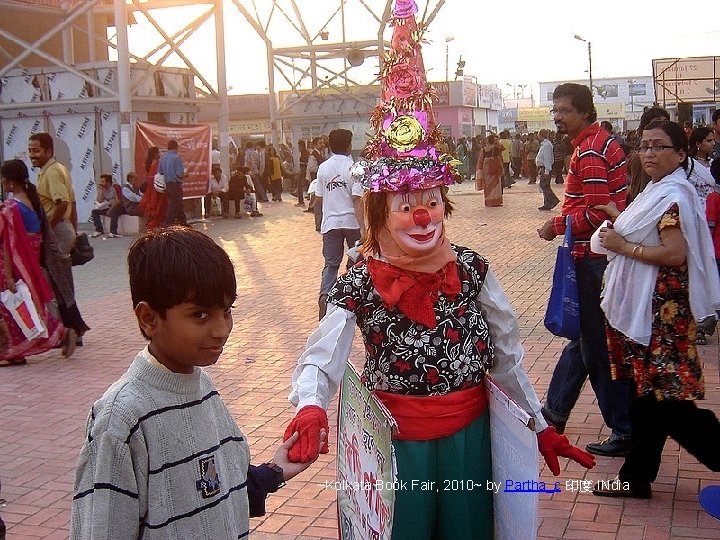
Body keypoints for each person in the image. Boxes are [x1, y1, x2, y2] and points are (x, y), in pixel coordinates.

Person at [283, 3, 595, 538]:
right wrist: (311, 406)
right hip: (395, 442)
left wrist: (537, 426)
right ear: (379, 214)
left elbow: (506, 356)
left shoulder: (472, 269)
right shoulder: (360, 277)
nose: (421, 214)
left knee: (467, 528)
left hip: (467, 440)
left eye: (430, 199)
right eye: (405, 204)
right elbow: (325, 350)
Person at [69, 226, 322, 539]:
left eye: (226, 310)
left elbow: (214, 487)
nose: (221, 329)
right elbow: (102, 528)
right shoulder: (120, 421)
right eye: (200, 315)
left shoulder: (203, 389)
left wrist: (274, 472)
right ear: (149, 319)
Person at [591, 119, 720, 498]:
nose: (648, 153)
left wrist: (621, 244)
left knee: (667, 402)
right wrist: (620, 221)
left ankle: (640, 475)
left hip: (661, 315)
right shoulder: (657, 190)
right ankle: (636, 477)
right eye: (644, 145)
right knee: (649, 396)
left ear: (681, 154)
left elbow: (673, 253)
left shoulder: (673, 195)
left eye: (659, 146)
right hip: (649, 312)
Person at [538, 82, 634, 457]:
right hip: (592, 256)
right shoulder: (593, 143)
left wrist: (556, 225)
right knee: (584, 340)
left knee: (595, 346)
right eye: (555, 111)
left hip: (591, 257)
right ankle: (554, 412)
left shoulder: (591, 150)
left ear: (585, 112)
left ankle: (623, 428)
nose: (558, 118)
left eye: (564, 110)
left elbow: (598, 212)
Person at [0, 160, 65, 366]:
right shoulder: (31, 200)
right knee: (27, 304)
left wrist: (9, 275)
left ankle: (13, 349)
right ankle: (59, 332)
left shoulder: (10, 208)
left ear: (10, 183)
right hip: (31, 259)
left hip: (16, 262)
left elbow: (9, 245)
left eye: (3, 180)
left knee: (10, 304)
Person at [28, 132, 89, 347]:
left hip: (57, 232)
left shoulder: (52, 172)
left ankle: (66, 331)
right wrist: (72, 229)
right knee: (62, 282)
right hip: (63, 230)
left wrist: (48, 231)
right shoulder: (53, 170)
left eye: (36, 151)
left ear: (49, 151)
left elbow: (62, 203)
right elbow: (71, 203)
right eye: (30, 151)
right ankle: (72, 329)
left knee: (53, 283)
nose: (32, 155)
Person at [315, 128, 363, 321]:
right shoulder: (354, 167)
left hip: (331, 223)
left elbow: (318, 198)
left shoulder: (323, 168)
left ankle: (325, 298)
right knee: (357, 262)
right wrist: (364, 227)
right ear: (349, 145)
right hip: (352, 222)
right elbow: (357, 199)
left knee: (331, 264)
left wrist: (318, 222)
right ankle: (352, 299)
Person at [625, 107, 671, 204]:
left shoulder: (671, 152)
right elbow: (638, 192)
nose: (662, 129)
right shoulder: (640, 158)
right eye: (656, 125)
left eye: (666, 124)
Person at [157, 140, 186, 226]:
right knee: (174, 205)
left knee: (177, 204)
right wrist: (186, 174)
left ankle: (183, 222)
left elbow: (160, 172)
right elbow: (180, 174)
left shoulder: (163, 158)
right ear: (176, 148)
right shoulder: (177, 158)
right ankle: (168, 223)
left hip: (167, 185)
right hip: (176, 184)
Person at [107, 172, 143, 238]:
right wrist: (143, 200)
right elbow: (133, 197)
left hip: (132, 206)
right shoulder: (125, 188)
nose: (137, 180)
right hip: (128, 207)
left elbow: (141, 195)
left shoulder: (136, 187)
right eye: (135, 179)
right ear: (131, 179)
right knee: (115, 211)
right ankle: (113, 232)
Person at [139, 146, 167, 230]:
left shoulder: (149, 163)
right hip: (157, 190)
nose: (159, 154)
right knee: (160, 210)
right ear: (155, 154)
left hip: (151, 189)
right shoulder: (157, 164)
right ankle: (151, 227)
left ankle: (152, 227)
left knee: (154, 211)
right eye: (158, 153)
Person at [475, 133, 503, 207]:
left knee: (487, 184)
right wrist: (501, 167)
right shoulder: (496, 148)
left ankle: (489, 201)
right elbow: (499, 158)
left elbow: (481, 160)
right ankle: (496, 201)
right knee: (496, 184)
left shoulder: (483, 150)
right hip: (495, 166)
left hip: (486, 168)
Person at [536, 129, 560, 211]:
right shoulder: (544, 144)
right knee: (544, 185)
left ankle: (553, 200)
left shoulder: (547, 145)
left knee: (544, 185)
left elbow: (547, 158)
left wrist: (547, 170)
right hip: (542, 167)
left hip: (545, 168)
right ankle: (547, 203)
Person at [295, 139, 309, 207]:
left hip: (303, 170)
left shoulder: (304, 153)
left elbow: (305, 163)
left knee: (300, 185)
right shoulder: (304, 152)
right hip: (303, 170)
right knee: (301, 185)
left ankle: (301, 201)